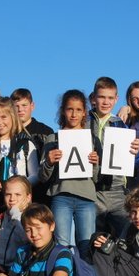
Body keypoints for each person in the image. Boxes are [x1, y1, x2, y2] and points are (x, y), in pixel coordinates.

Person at [39, 89, 101, 256]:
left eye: (78, 110)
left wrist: (95, 164)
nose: (74, 114)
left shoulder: (92, 139)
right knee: (61, 246)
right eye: (69, 109)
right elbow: (43, 177)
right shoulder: (52, 139)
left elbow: (96, 178)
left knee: (87, 247)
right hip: (61, 197)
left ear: (84, 113)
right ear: (63, 111)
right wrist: (49, 162)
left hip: (86, 198)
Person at [88, 76, 139, 234]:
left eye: (110, 98)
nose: (106, 102)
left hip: (118, 191)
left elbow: (136, 164)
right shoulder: (83, 122)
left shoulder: (121, 126)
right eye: (102, 97)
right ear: (93, 98)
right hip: (92, 191)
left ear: (116, 99)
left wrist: (135, 154)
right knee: (92, 240)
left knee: (123, 239)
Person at [0, 97, 39, 214]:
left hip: (20, 203)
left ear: (13, 117)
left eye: (4, 117)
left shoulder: (25, 143)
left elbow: (35, 174)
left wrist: (20, 186)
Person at [11, 88, 54, 205]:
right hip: (13, 195)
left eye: (24, 105)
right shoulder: (8, 131)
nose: (20, 109)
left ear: (32, 106)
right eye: (16, 106)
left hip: (41, 193)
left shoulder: (45, 131)